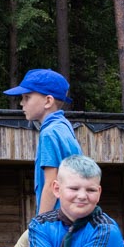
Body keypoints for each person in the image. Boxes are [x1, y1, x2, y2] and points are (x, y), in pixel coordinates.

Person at [5, 69, 80, 218]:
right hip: (71, 218)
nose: (21, 103)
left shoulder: (49, 133)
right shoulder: (64, 127)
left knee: (27, 239)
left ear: (48, 101)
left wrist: (40, 224)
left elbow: (51, 184)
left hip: (57, 222)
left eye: (27, 97)